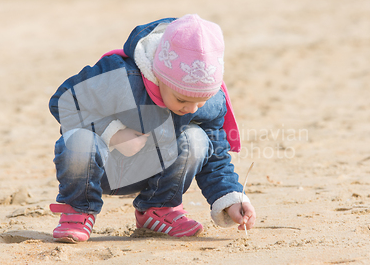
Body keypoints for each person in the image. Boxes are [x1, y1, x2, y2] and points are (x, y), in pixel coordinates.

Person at [48, 14, 256, 242]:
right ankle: (79, 210)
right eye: (182, 99)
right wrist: (113, 134)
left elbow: (216, 155)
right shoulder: (120, 76)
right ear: (160, 77)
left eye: (201, 101)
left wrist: (231, 197)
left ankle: (158, 209)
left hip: (154, 172)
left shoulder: (210, 101)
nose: (192, 108)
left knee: (198, 139)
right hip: (100, 168)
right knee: (79, 141)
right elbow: (64, 101)